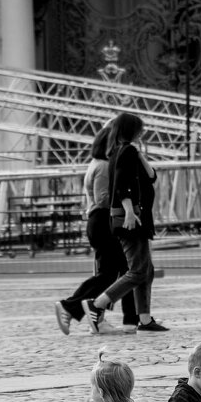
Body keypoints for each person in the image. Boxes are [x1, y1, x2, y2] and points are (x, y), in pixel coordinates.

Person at [81, 112, 169, 334]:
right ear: (132, 130)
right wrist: (129, 212)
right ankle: (97, 304)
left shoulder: (123, 151)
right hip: (132, 218)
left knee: (145, 270)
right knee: (138, 271)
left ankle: (145, 319)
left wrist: (138, 153)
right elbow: (122, 186)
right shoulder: (125, 151)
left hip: (136, 217)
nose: (143, 132)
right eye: (140, 128)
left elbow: (150, 176)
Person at [54, 127, 138, 335]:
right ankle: (71, 306)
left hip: (97, 221)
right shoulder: (102, 166)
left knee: (113, 273)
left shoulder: (96, 164)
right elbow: (102, 198)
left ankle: (96, 317)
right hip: (102, 220)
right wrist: (123, 198)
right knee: (112, 274)